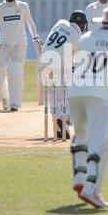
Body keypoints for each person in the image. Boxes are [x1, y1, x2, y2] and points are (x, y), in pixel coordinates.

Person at [68, 6, 108, 208]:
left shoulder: (86, 37)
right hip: (99, 95)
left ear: (103, 22)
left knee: (80, 135)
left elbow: (77, 62)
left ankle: (79, 178)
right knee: (101, 144)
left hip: (74, 91)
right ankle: (91, 190)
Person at [0, 0, 43, 111]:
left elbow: (30, 22)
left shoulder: (23, 6)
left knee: (16, 69)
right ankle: (4, 99)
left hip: (20, 43)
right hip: (3, 43)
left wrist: (35, 36)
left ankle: (15, 103)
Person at [38, 10, 87, 139]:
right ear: (83, 24)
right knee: (67, 94)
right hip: (58, 64)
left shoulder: (60, 23)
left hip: (42, 63)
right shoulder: (79, 39)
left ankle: (60, 126)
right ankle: (64, 118)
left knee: (54, 95)